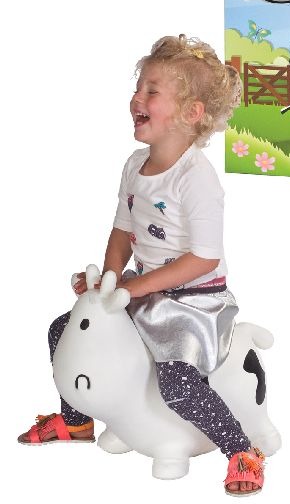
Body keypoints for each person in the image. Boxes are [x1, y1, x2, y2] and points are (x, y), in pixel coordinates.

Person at [17, 35, 264, 496]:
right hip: (142, 290)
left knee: (177, 382)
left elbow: (204, 258)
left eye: (152, 91)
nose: (137, 98)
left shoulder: (196, 179)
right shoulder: (134, 166)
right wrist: (108, 283)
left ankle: (240, 449)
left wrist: (134, 289)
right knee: (62, 331)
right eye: (138, 88)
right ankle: (76, 420)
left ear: (191, 113)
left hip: (193, 302)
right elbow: (122, 232)